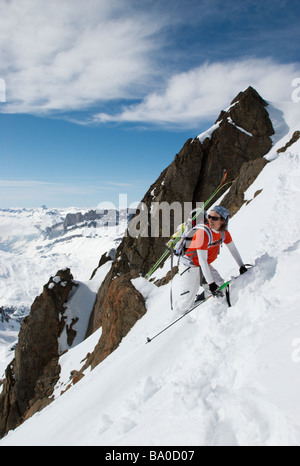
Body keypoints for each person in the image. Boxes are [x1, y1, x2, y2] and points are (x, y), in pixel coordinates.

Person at [175, 205, 247, 313]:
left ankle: (200, 303)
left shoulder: (223, 234)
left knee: (220, 287)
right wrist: (211, 283)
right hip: (189, 265)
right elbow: (202, 260)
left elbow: (233, 249)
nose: (210, 220)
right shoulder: (203, 233)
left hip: (202, 264)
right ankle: (178, 318)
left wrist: (241, 266)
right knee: (186, 302)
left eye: (215, 218)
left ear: (223, 220)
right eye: (209, 217)